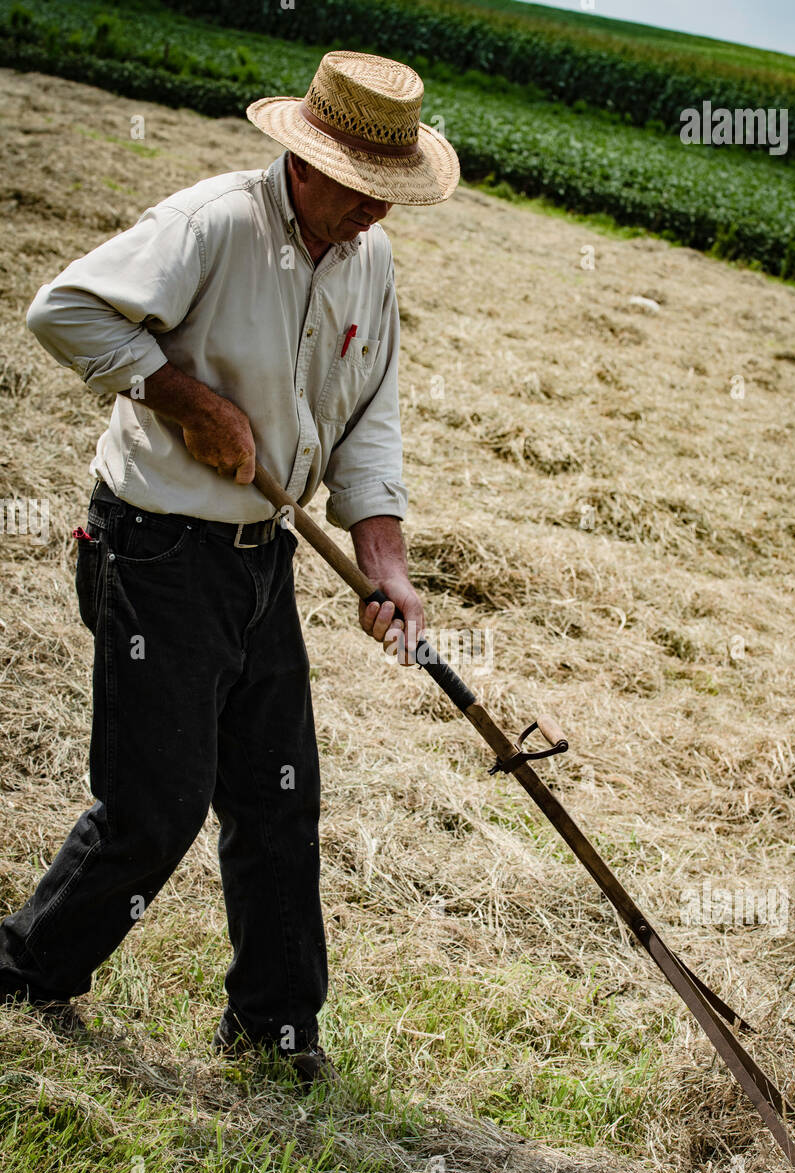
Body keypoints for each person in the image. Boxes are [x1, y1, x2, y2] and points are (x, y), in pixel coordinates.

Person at [0, 50, 459, 1084]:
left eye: (392, 196)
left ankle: (274, 1029)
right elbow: (63, 309)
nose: (377, 215)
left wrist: (381, 558)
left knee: (277, 797)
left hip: (264, 557)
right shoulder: (214, 222)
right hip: (156, 544)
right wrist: (185, 398)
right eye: (363, 192)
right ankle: (25, 976)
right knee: (155, 804)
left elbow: (369, 420)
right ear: (304, 162)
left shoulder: (366, 263)